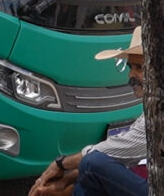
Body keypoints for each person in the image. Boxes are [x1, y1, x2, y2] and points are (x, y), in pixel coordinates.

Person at [28, 26, 147, 196]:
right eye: (130, 67)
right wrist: (68, 179)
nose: (131, 75)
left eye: (139, 67)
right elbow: (121, 153)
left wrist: (61, 164)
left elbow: (110, 153)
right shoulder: (153, 107)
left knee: (93, 162)